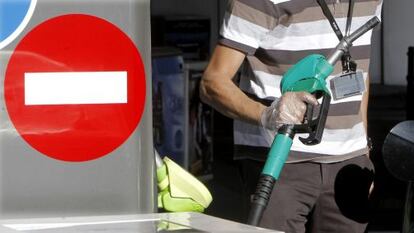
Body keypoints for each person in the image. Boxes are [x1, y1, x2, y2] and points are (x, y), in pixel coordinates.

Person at [200, 0, 383, 232]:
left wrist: (363, 150)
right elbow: (212, 83)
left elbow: (359, 71)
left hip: (349, 163)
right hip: (278, 162)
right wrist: (268, 114)